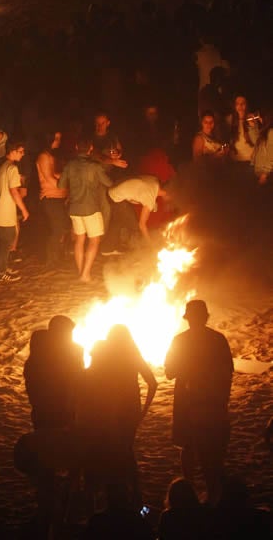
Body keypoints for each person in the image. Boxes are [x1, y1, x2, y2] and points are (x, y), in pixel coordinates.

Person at [164, 299, 234, 504]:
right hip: (213, 402)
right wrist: (223, 399)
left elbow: (169, 372)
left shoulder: (180, 341)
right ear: (205, 317)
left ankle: (190, 489)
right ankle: (213, 494)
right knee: (211, 450)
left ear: (189, 319)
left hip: (187, 402)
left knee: (187, 446)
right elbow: (228, 372)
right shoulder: (218, 339)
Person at [84, 325, 157, 507]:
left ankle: (117, 492)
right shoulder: (132, 355)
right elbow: (152, 383)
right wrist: (144, 410)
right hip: (130, 409)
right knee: (125, 448)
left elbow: (94, 380)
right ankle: (133, 490)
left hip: (110, 409)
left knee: (114, 449)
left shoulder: (107, 356)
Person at [58, 138, 112, 282]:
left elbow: (60, 184)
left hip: (74, 209)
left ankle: (81, 272)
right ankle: (85, 274)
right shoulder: (94, 166)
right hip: (91, 209)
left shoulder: (69, 165)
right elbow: (108, 183)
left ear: (76, 147)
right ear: (91, 149)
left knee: (79, 240)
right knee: (94, 240)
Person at [0, 139, 29, 284]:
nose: (23, 154)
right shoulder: (12, 168)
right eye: (21, 151)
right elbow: (14, 191)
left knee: (4, 241)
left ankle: (3, 267)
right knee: (6, 242)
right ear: (12, 151)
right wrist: (24, 209)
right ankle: (1, 273)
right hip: (5, 210)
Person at [36, 129, 68, 271]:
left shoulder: (52, 156)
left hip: (59, 197)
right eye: (56, 138)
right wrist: (66, 184)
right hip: (50, 197)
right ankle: (50, 260)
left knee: (60, 229)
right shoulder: (43, 156)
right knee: (57, 229)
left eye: (60, 138)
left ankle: (56, 258)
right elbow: (49, 178)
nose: (58, 142)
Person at [108, 175, 170, 243]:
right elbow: (142, 225)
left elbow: (138, 191)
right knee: (135, 226)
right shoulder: (149, 197)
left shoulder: (154, 180)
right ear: (167, 193)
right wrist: (150, 244)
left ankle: (114, 245)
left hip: (113, 187)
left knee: (123, 219)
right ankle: (111, 247)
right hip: (114, 197)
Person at [228, 94, 260, 164]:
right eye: (237, 104)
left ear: (247, 105)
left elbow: (256, 142)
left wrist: (252, 126)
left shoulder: (252, 119)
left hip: (250, 161)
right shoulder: (230, 120)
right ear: (234, 106)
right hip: (234, 161)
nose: (240, 106)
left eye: (243, 103)